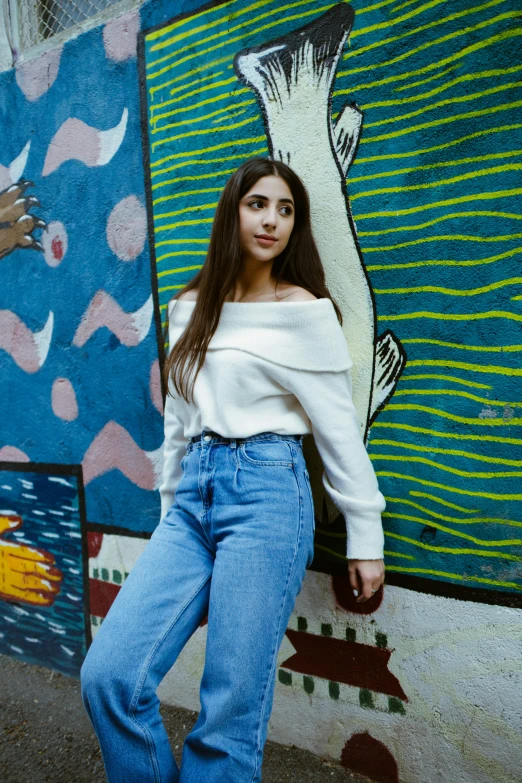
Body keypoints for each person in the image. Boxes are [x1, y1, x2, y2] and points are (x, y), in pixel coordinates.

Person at [80, 157, 386, 782]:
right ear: (233, 211)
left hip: (269, 496)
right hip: (193, 499)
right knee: (109, 674)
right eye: (258, 204)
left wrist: (365, 535)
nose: (271, 219)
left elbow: (337, 431)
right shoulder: (190, 306)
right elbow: (177, 424)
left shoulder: (303, 309)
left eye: (285, 209)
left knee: (228, 715)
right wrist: (171, 513)